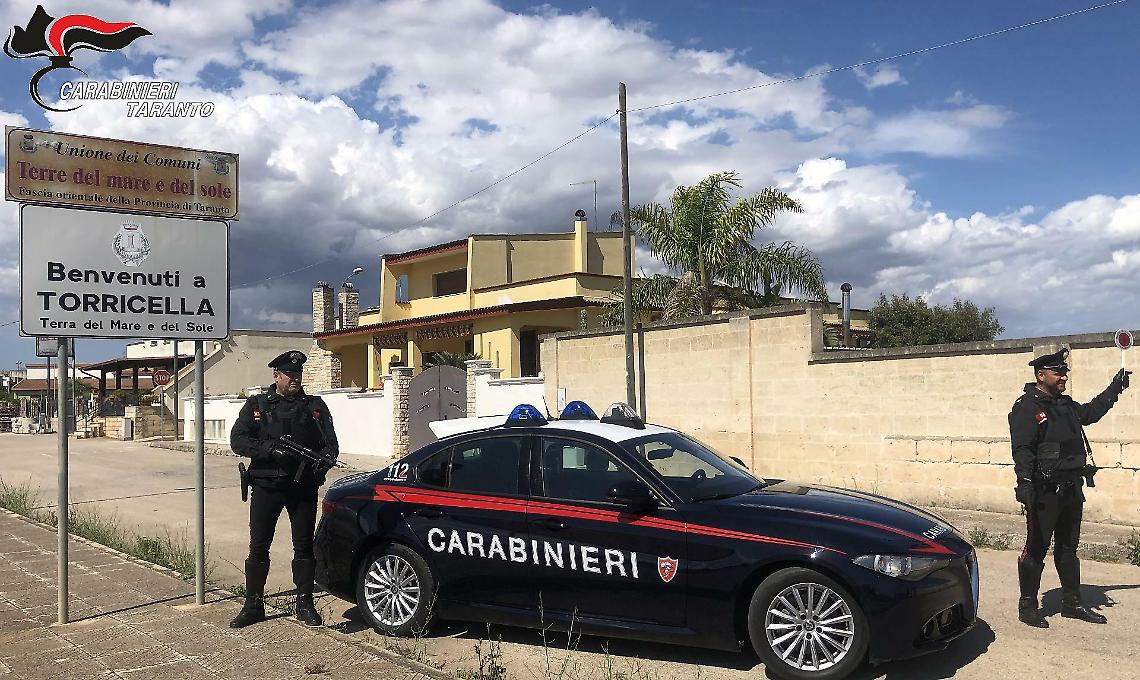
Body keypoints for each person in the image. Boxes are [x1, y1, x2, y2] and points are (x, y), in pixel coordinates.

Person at [1009, 347, 1129, 628]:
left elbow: (1091, 412)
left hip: (1072, 489)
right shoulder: (1026, 408)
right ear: (1041, 375)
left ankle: (1071, 604)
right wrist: (1024, 483)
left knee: (1068, 549)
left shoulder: (1065, 405)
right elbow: (1023, 450)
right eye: (1058, 372)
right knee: (1036, 548)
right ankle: (1028, 606)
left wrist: (1115, 388)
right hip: (1044, 491)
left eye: (1065, 372)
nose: (1064, 376)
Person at [229, 350, 339, 628]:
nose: (295, 378)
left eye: (298, 374)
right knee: (259, 546)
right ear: (276, 375)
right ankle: (253, 605)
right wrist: (270, 450)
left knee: (304, 546)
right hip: (267, 486)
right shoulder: (257, 406)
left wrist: (322, 465)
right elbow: (238, 440)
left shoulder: (314, 407)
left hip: (302, 488)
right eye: (289, 374)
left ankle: (304, 603)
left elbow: (331, 445)